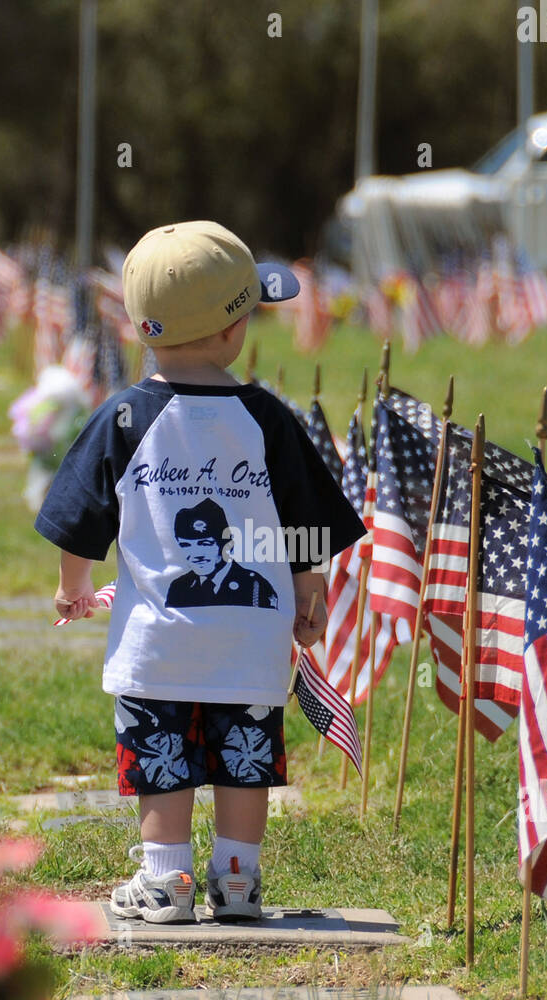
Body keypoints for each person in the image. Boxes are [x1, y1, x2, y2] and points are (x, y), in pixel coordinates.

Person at [35, 220, 364, 923]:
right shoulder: (267, 420)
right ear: (231, 331)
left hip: (157, 645)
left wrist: (73, 587)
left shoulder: (122, 419)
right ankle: (238, 879)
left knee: (162, 760)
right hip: (250, 641)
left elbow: (77, 516)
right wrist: (309, 593)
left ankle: (167, 882)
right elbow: (304, 519)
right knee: (245, 753)